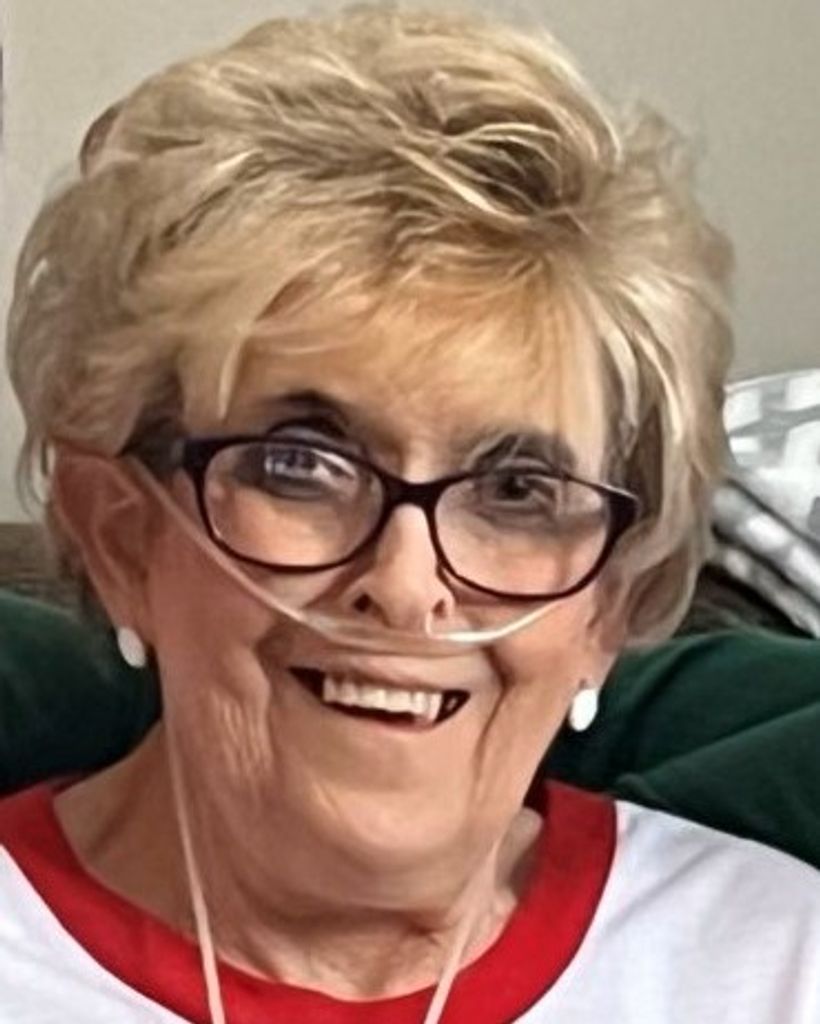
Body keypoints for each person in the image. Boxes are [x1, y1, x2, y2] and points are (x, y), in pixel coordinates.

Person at [2, 6, 818, 1022]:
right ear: (121, 536)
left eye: (517, 490)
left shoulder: (786, 964)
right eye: (301, 465)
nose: (404, 584)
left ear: (611, 603)